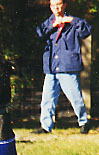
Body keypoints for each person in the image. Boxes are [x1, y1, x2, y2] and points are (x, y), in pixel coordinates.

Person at [33, 0, 91, 134]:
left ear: (64, 5)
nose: (56, 8)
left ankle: (83, 122)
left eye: (59, 5)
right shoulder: (48, 22)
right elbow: (39, 34)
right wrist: (53, 25)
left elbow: (85, 31)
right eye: (54, 5)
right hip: (51, 67)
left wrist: (72, 20)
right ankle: (45, 126)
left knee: (75, 97)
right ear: (50, 7)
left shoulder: (73, 22)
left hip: (68, 66)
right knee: (47, 99)